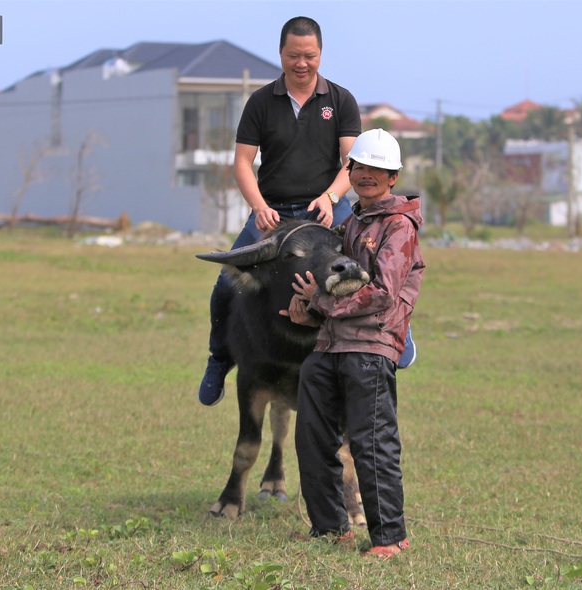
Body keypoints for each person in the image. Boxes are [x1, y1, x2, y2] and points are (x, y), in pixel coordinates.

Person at [198, 16, 361, 406]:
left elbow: (353, 161)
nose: (301, 63)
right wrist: (258, 207)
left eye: (309, 55)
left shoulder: (341, 100)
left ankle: (398, 337)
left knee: (369, 267)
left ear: (320, 54)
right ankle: (219, 359)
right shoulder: (260, 102)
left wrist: (332, 197)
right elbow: (241, 163)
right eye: (293, 55)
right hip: (272, 216)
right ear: (281, 53)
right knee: (225, 283)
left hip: (325, 211)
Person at [280, 129, 424, 558]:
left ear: (393, 176)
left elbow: (381, 292)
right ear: (350, 170)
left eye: (376, 169)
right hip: (329, 345)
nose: (366, 175)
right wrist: (305, 310)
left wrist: (320, 301)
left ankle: (390, 538)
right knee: (312, 436)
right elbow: (327, 280)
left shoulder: (399, 226)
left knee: (371, 440)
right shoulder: (350, 224)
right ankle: (330, 527)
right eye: (359, 167)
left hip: (371, 346)